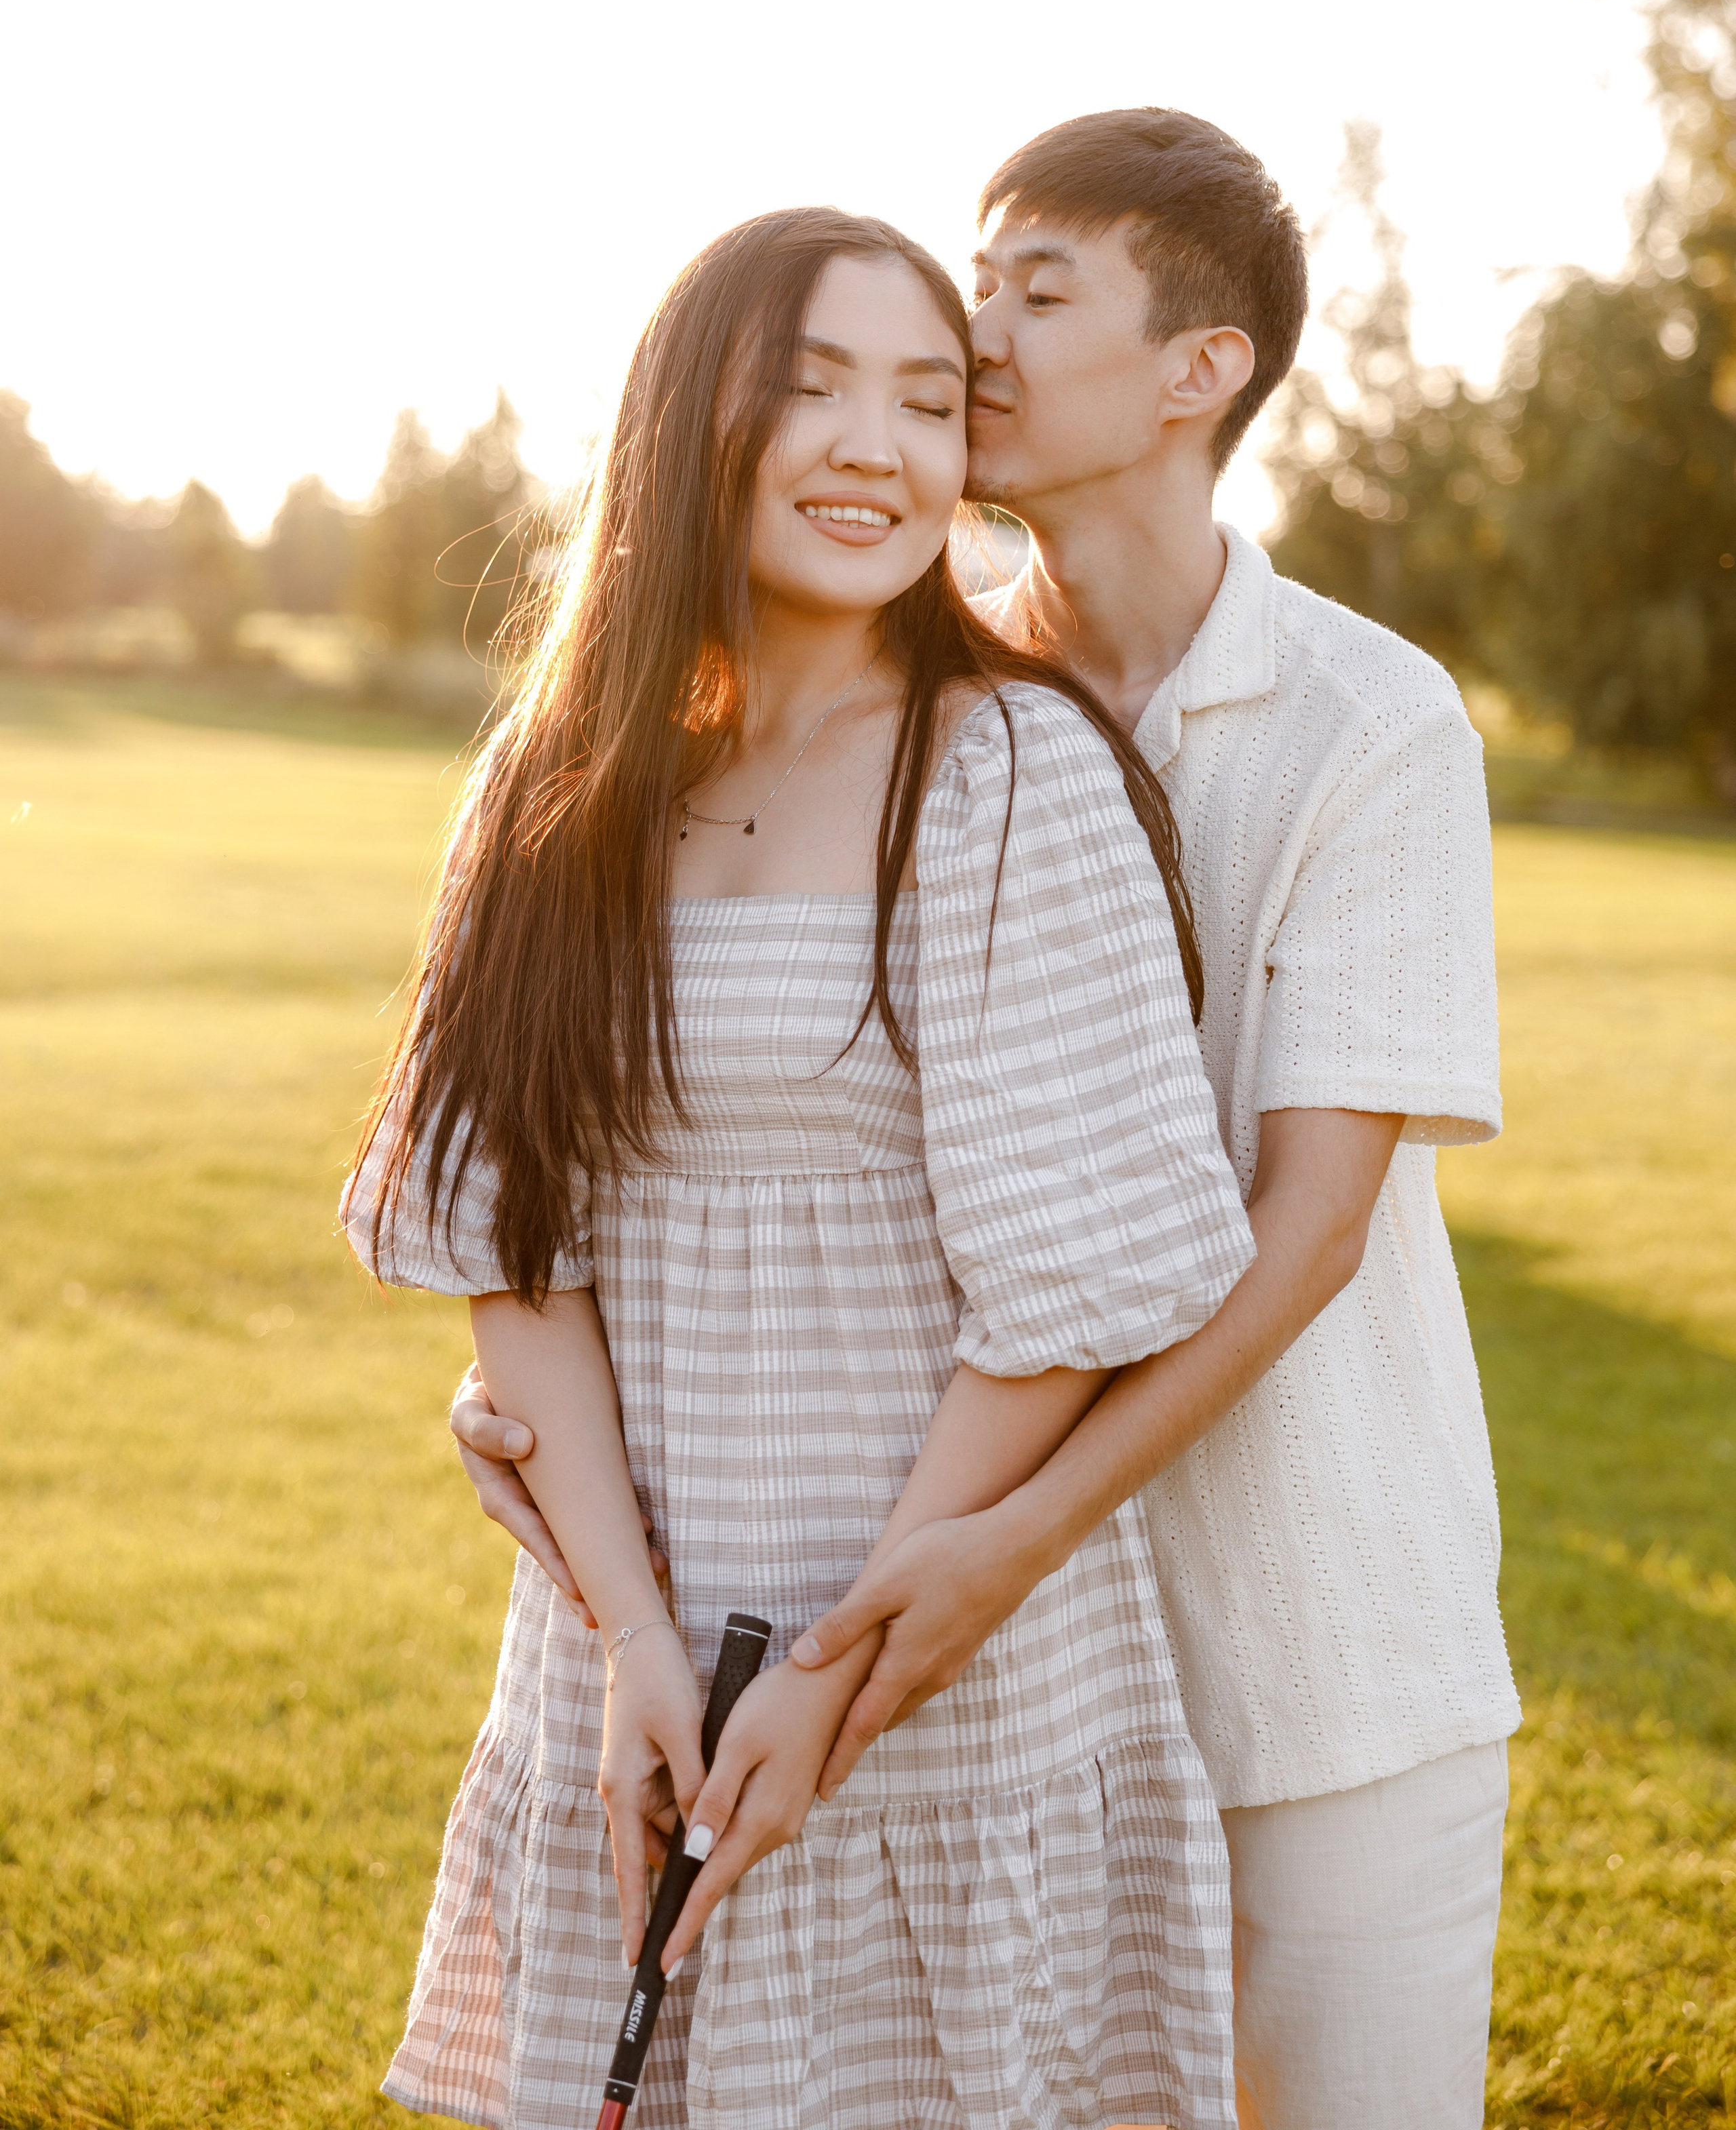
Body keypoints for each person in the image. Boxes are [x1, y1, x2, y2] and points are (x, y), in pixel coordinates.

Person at [456, 114, 1520, 2130]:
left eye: (1036, 293)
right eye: (982, 286)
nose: (983, 331)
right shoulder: (918, 693)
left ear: (1201, 372)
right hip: (992, 1649)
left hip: (1299, 1616)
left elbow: (1308, 1233)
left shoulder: (1369, 725)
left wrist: (1006, 1541)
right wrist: (556, 1423)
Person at [344, 205, 1261, 2130]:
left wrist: (841, 1669)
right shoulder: (553, 785)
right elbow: (520, 1257)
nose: (881, 446)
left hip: (939, 1675)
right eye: (815, 385)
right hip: (639, 1663)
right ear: (694, 419)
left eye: (933, 401)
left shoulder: (1009, 768)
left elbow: (1063, 1302)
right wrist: (630, 1641)